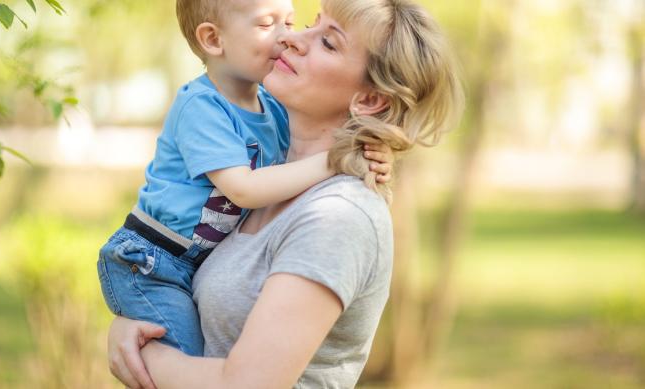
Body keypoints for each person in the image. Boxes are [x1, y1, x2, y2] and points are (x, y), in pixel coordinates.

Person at [108, 0, 464, 387]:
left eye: (328, 42)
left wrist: (142, 352)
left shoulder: (339, 217)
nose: (292, 39)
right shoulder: (270, 175)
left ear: (369, 100)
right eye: (310, 24)